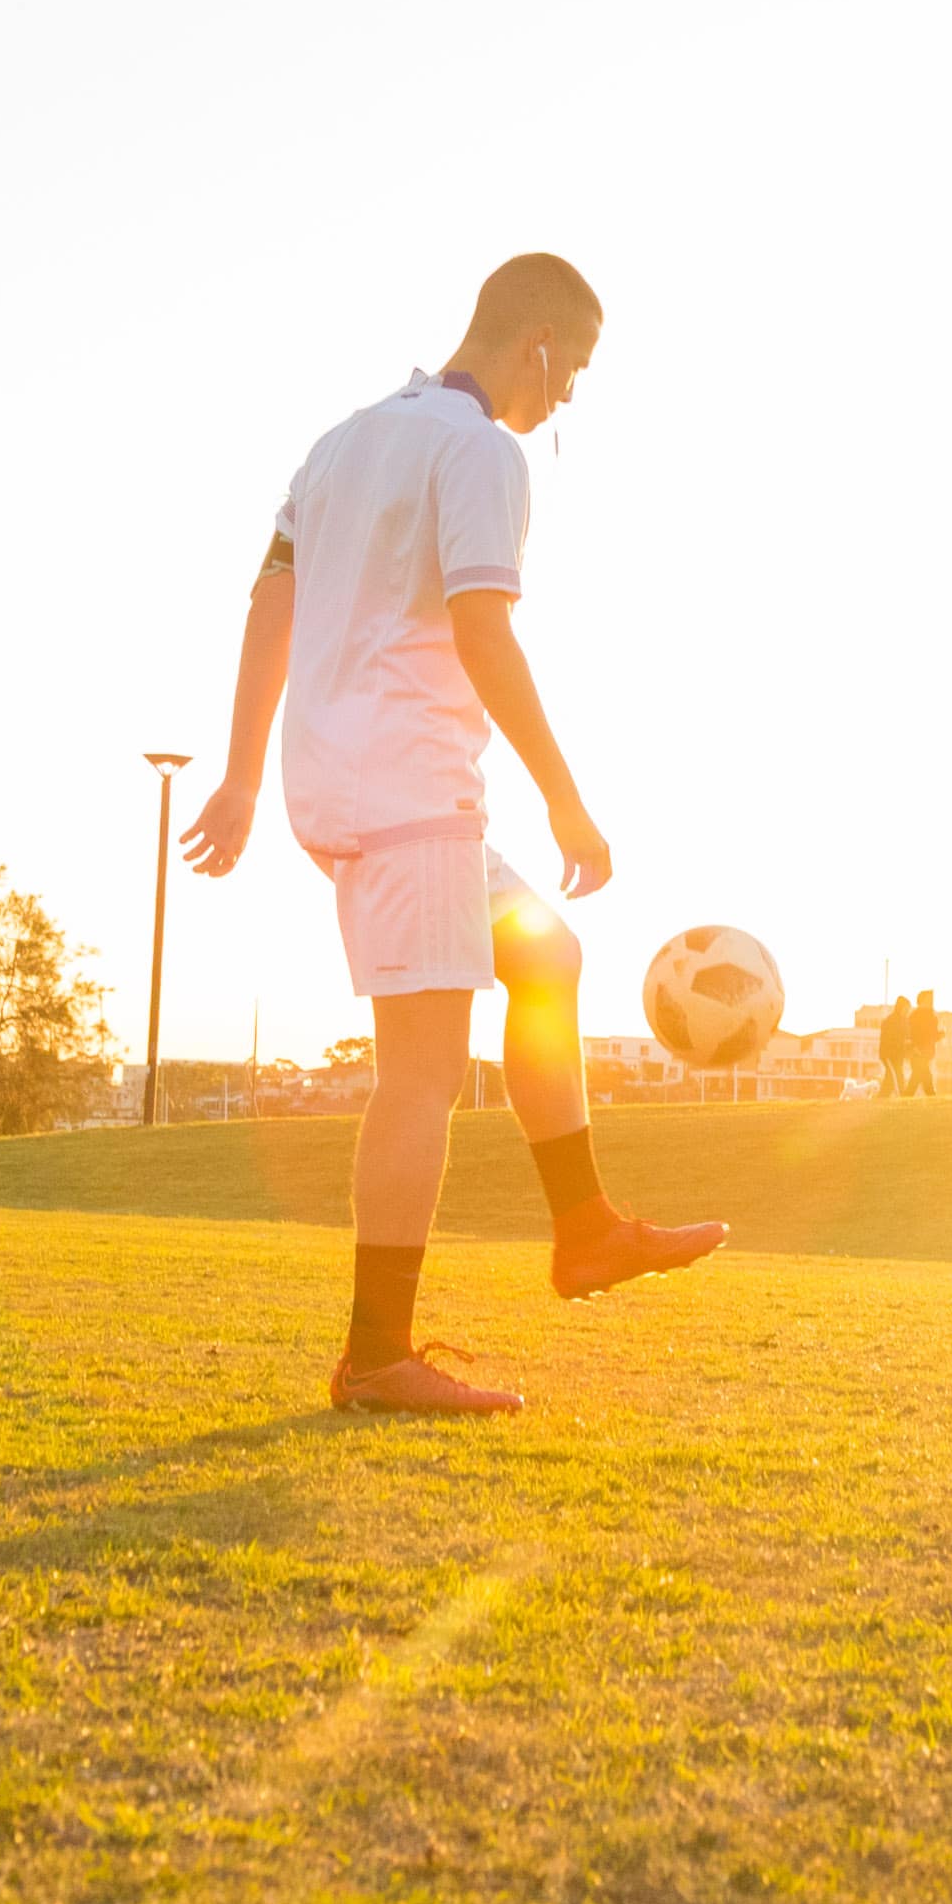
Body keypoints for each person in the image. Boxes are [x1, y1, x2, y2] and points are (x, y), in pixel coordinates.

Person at [183, 254, 725, 1412]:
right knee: (422, 1073)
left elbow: (269, 600)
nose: (570, 395)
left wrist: (240, 776)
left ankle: (583, 1229)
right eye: (574, 367)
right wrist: (567, 795)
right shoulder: (485, 450)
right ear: (535, 341)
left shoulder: (338, 443)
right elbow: (486, 631)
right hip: (413, 783)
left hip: (352, 780)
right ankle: (378, 1354)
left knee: (548, 955)